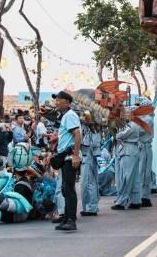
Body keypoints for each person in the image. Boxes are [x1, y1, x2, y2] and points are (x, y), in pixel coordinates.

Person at [53, 91, 81, 231]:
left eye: (59, 100)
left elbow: (77, 134)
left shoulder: (70, 116)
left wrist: (75, 156)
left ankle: (71, 220)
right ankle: (67, 218)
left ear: (67, 102)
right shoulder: (65, 116)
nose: (56, 102)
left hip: (70, 157)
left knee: (69, 189)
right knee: (65, 188)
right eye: (56, 100)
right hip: (65, 156)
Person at [112, 113, 141, 211]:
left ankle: (121, 202)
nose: (124, 116)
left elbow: (120, 135)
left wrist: (117, 132)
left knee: (126, 177)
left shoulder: (132, 125)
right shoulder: (133, 124)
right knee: (134, 178)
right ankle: (135, 201)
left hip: (128, 151)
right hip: (131, 150)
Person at [79, 111, 101, 217]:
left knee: (89, 183)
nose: (82, 118)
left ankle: (91, 208)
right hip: (85, 157)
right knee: (86, 183)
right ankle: (88, 207)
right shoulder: (84, 127)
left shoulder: (94, 129)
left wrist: (82, 142)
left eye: (85, 117)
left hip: (89, 157)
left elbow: (94, 144)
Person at [137, 106, 155, 208]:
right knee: (141, 173)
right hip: (142, 148)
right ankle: (141, 196)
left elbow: (139, 130)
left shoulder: (148, 119)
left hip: (145, 148)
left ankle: (144, 197)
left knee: (144, 174)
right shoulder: (144, 118)